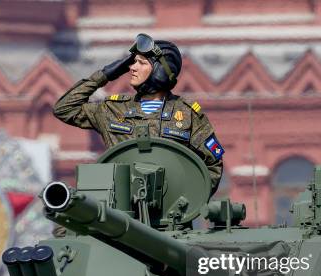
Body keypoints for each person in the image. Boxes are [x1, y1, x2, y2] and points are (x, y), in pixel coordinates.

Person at [53, 33, 224, 195]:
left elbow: (213, 165)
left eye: (141, 63)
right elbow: (64, 108)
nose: (132, 68)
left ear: (160, 70)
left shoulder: (187, 114)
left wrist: (188, 201)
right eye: (133, 62)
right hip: (118, 214)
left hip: (170, 219)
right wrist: (104, 75)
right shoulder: (113, 109)